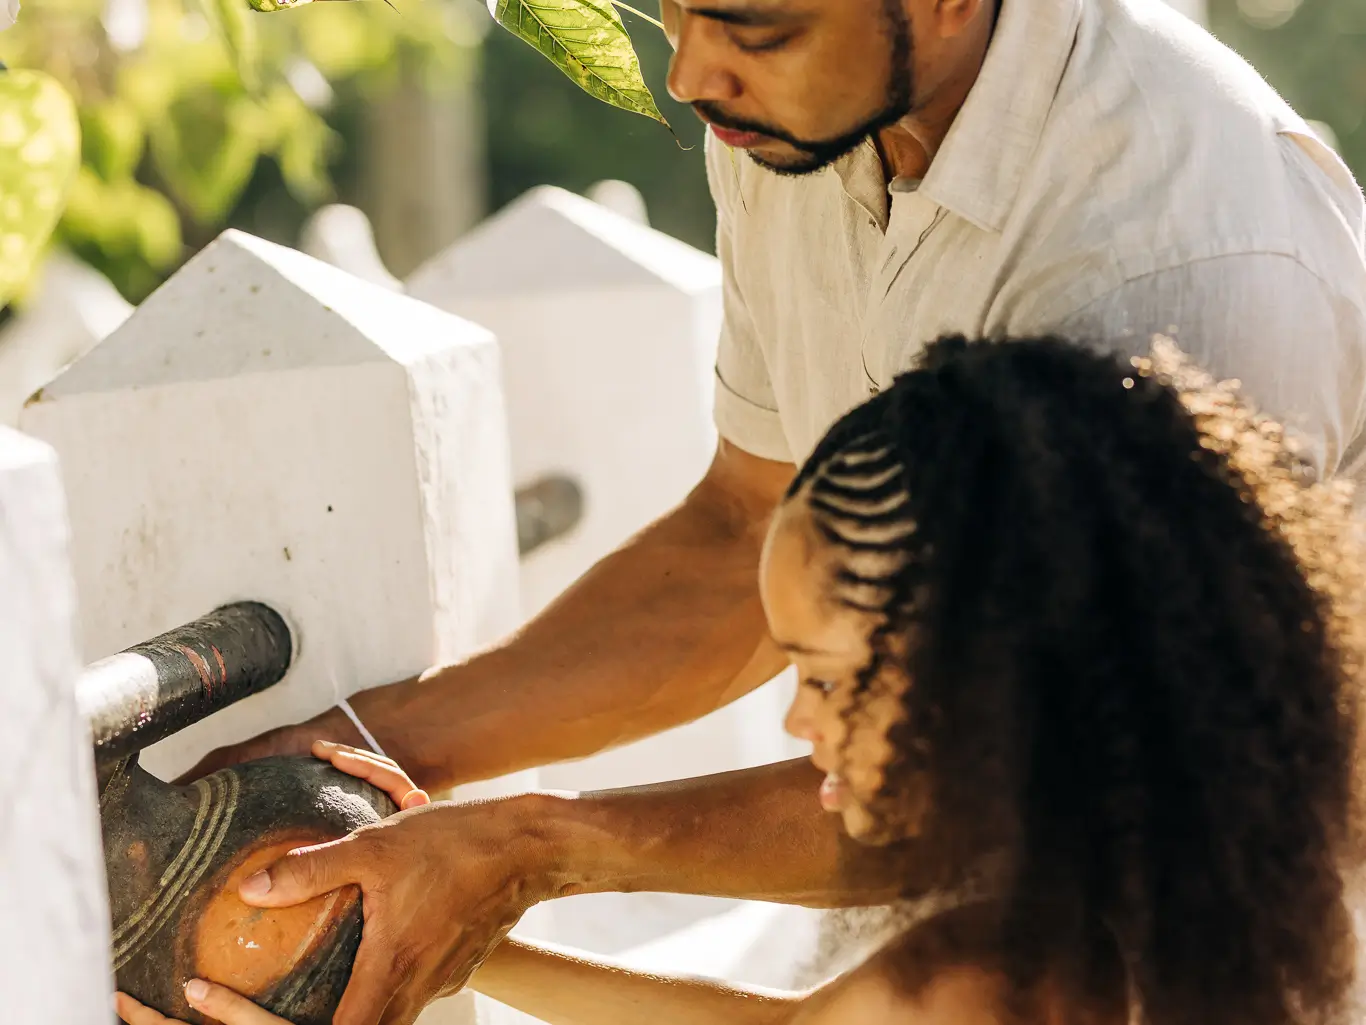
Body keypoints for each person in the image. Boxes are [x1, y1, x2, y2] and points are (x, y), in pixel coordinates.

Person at [187, 0, 1366, 1020]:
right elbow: (742, 533)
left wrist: (536, 848)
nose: (687, 75)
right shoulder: (794, 111)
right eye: (673, 9)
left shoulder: (1176, 268)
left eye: (756, 27)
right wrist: (369, 752)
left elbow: (1028, 763)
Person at [121, 336, 1366, 1025]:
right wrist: (464, 945)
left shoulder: (999, 989)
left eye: (825, 674)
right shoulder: (1215, 908)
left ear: (994, 679)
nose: (794, 716)